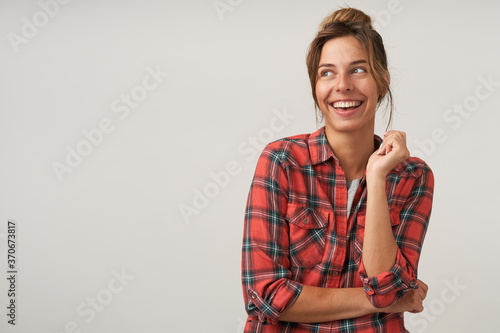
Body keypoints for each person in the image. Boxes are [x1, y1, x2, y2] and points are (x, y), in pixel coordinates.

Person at [241, 7, 434, 332]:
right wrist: (380, 300)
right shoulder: (282, 161)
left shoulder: (412, 176)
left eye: (358, 70)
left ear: (382, 81)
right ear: (316, 87)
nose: (342, 85)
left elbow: (385, 286)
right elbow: (265, 296)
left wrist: (376, 177)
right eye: (327, 73)